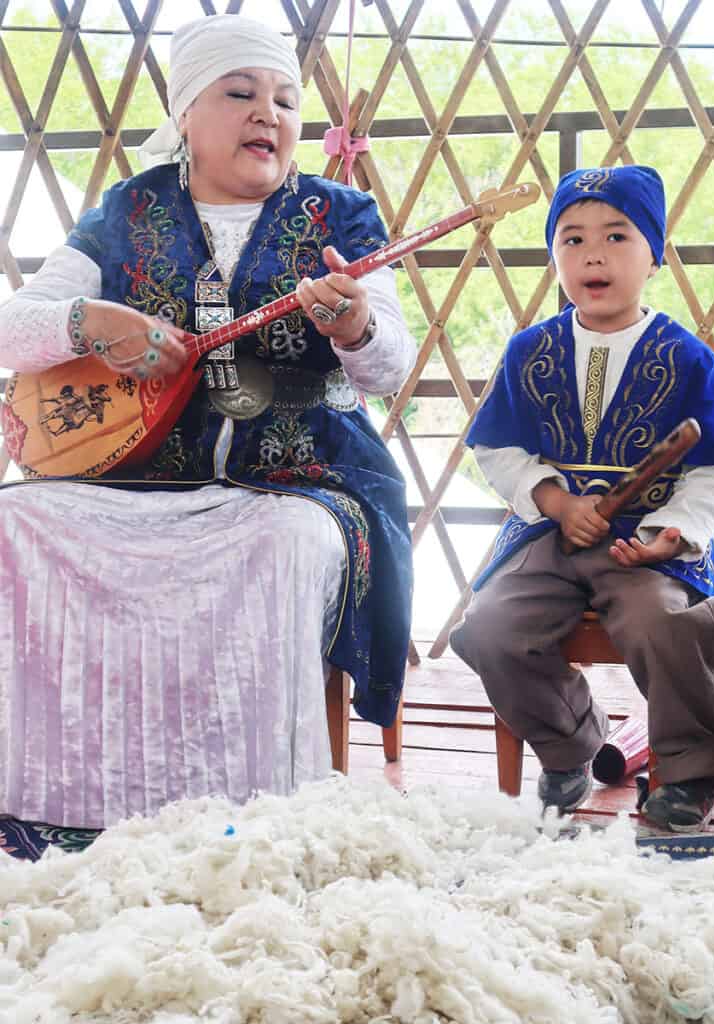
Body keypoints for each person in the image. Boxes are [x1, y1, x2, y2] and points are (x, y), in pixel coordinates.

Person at [0, 14, 417, 828]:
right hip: (138, 477)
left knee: (283, 546)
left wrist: (354, 327)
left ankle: (259, 814)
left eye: (287, 101)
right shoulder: (128, 210)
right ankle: (54, 802)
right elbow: (16, 326)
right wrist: (91, 323)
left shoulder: (344, 216)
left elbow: (390, 366)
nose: (269, 113)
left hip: (299, 480)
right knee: (13, 519)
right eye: (241, 92)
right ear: (186, 110)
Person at [450, 165, 714, 831]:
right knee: (490, 627)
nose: (593, 255)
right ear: (554, 256)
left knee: (666, 623)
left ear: (654, 253)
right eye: (572, 239)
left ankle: (695, 769)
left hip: (644, 546)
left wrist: (669, 533)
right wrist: (555, 502)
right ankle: (571, 742)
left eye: (617, 236)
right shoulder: (532, 351)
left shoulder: (686, 356)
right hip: (551, 533)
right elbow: (497, 449)